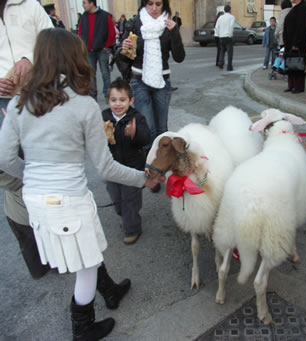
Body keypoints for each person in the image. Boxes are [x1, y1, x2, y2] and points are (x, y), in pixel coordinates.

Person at [0, 28, 164, 340]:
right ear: (74, 58)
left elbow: (4, 158)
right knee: (85, 266)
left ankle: (110, 289)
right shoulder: (84, 106)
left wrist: (32, 176)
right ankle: (83, 326)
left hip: (36, 201)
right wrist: (144, 178)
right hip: (68, 202)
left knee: (82, 249)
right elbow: (105, 166)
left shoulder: (21, 103)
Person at [118, 0, 185, 192]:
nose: (154, 8)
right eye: (150, 4)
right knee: (147, 130)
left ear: (164, 6)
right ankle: (152, 174)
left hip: (162, 82)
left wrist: (175, 33)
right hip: (139, 82)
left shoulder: (169, 25)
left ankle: (162, 170)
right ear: (144, 5)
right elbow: (123, 57)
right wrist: (123, 48)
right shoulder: (135, 24)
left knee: (162, 130)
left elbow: (179, 57)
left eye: (158, 4)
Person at [103, 78, 151, 245]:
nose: (118, 104)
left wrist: (135, 133)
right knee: (116, 199)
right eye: (113, 100)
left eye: (122, 100)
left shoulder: (136, 118)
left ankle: (132, 228)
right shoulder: (103, 118)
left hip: (132, 167)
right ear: (108, 100)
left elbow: (146, 139)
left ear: (131, 101)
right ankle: (125, 215)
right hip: (112, 167)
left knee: (130, 200)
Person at [0, 0, 53, 126]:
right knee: (7, 145)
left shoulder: (30, 5)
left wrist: (30, 59)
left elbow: (53, 41)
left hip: (39, 93)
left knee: (45, 142)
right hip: (3, 100)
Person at [0, 169, 50, 278]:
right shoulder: (27, 177)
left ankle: (38, 271)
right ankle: (56, 266)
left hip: (13, 214)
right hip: (32, 218)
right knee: (49, 243)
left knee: (28, 246)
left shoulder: (7, 178)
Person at [78, 0, 116, 100]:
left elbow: (112, 33)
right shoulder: (83, 17)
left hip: (102, 50)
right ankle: (93, 94)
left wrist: (106, 46)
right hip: (89, 51)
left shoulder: (105, 16)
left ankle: (107, 94)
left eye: (84, 3)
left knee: (105, 73)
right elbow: (80, 32)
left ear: (91, 3)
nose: (83, 5)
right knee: (91, 74)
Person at [282, 0, 306, 94]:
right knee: (291, 64)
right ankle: (291, 85)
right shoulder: (294, 8)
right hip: (290, 43)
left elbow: (302, 28)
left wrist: (296, 43)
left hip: (298, 44)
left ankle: (298, 86)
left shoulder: (303, 9)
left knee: (298, 64)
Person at [215, 4, 235, 71]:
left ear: (224, 10)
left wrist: (218, 34)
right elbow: (231, 26)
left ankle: (220, 63)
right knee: (230, 52)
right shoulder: (232, 17)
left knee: (222, 50)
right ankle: (229, 66)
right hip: (228, 36)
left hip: (221, 36)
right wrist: (230, 35)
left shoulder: (220, 17)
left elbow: (217, 27)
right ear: (230, 10)